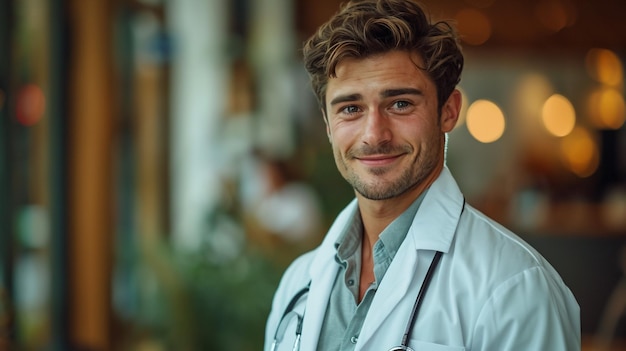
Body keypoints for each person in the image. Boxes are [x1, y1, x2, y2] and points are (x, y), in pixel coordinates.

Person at [264, 0, 580, 350]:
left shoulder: (516, 288)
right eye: (350, 109)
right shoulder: (298, 282)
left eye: (400, 104)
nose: (374, 134)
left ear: (448, 111)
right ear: (327, 125)